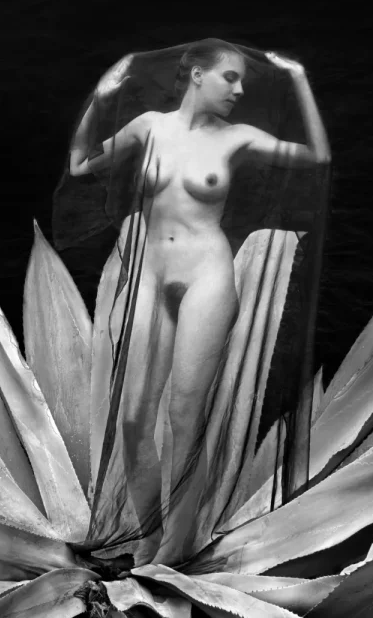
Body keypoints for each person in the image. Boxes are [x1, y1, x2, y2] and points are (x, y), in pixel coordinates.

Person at [65, 39, 331, 561]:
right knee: (134, 420)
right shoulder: (149, 126)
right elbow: (80, 165)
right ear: (196, 75)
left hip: (207, 276)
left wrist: (299, 78)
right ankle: (147, 537)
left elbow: (316, 156)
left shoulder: (237, 138)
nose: (238, 90)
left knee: (185, 415)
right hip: (151, 275)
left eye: (242, 82)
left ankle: (177, 546)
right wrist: (100, 96)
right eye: (230, 77)